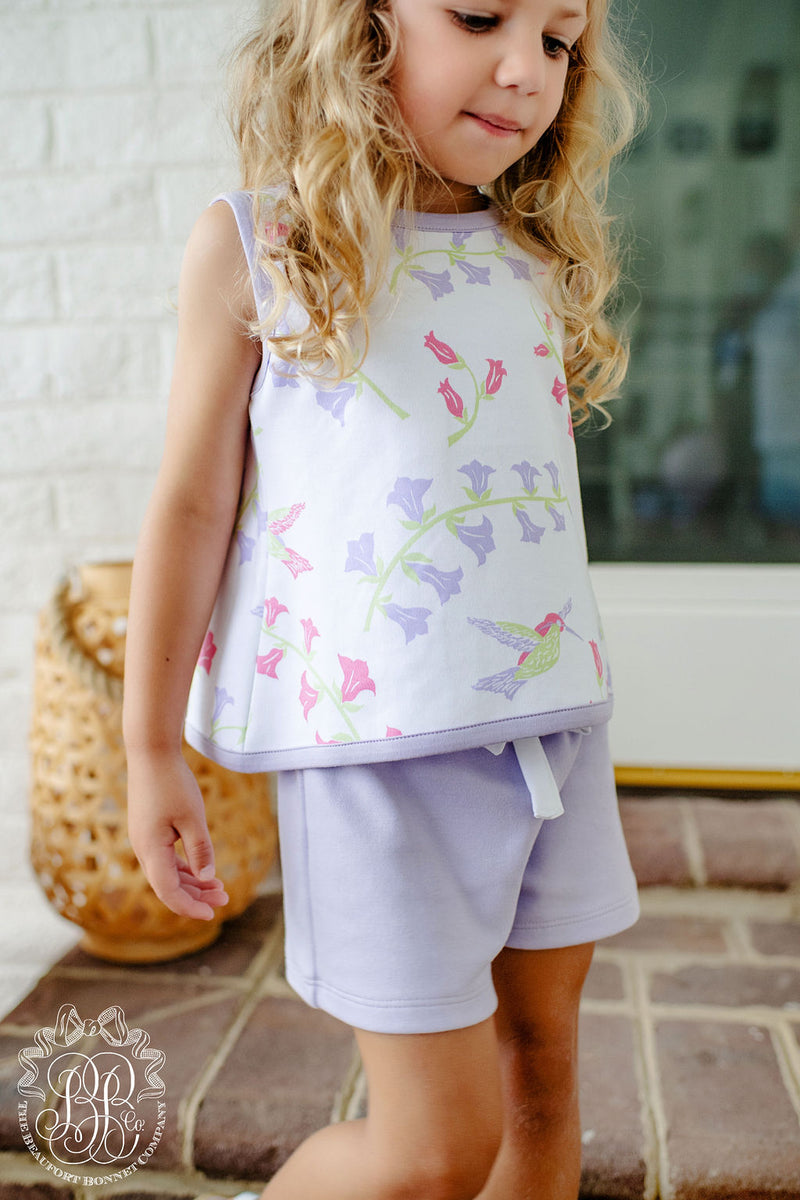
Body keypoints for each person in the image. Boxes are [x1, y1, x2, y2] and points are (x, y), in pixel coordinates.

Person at [123, 2, 644, 1197]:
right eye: (480, 15)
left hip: (554, 732)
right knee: (433, 1151)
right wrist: (151, 748)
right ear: (357, 24)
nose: (525, 70)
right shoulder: (259, 247)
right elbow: (191, 507)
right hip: (375, 755)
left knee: (542, 1080)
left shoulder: (533, 253)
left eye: (558, 41)